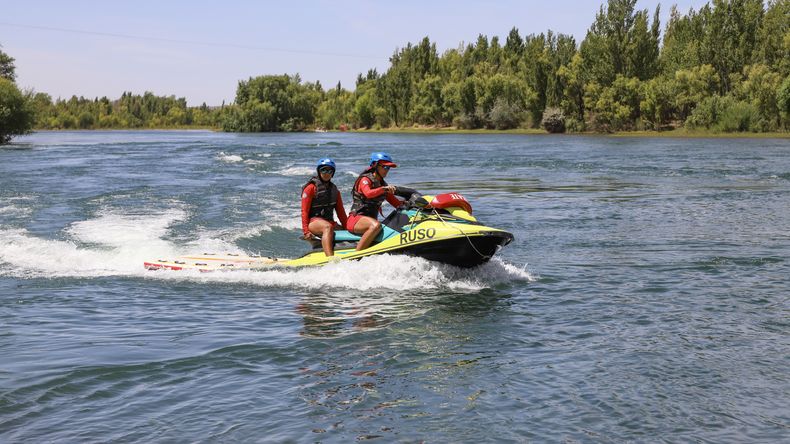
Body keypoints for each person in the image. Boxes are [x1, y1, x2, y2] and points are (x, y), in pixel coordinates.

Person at [346, 152, 404, 251]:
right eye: (384, 167)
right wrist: (384, 189)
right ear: (375, 165)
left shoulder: (382, 184)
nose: (387, 170)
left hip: (369, 221)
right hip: (356, 220)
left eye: (388, 168)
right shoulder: (365, 179)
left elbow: (397, 204)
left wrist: (414, 204)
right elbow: (368, 193)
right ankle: (356, 256)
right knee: (376, 225)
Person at [301, 158, 348, 257]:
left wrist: (348, 228)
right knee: (327, 227)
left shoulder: (335, 191)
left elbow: (341, 214)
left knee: (346, 231)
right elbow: (304, 211)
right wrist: (306, 231)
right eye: (323, 170)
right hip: (313, 222)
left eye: (329, 171)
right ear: (319, 171)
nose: (326, 173)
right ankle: (330, 258)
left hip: (329, 221)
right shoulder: (310, 188)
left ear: (333, 173)